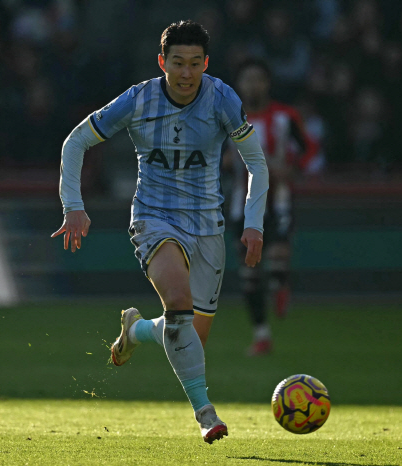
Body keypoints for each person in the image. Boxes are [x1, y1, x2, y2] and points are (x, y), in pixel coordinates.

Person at [51, 20, 268, 443]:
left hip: (208, 226)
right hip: (154, 218)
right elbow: (75, 141)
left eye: (194, 64)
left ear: (205, 63)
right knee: (178, 304)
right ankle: (206, 414)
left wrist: (254, 223)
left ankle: (133, 331)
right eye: (177, 63)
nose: (186, 74)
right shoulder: (137, 100)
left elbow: (257, 164)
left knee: (182, 332)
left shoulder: (223, 98)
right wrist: (73, 206)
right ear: (161, 62)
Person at [223, 58, 317, 356]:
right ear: (239, 85)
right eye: (247, 79)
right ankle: (262, 335)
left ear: (267, 84)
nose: (253, 85)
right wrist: (224, 163)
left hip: (279, 200)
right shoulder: (227, 118)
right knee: (249, 273)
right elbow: (216, 156)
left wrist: (293, 168)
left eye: (258, 79)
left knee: (277, 254)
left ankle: (280, 284)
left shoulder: (285, 117)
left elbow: (310, 148)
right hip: (243, 204)